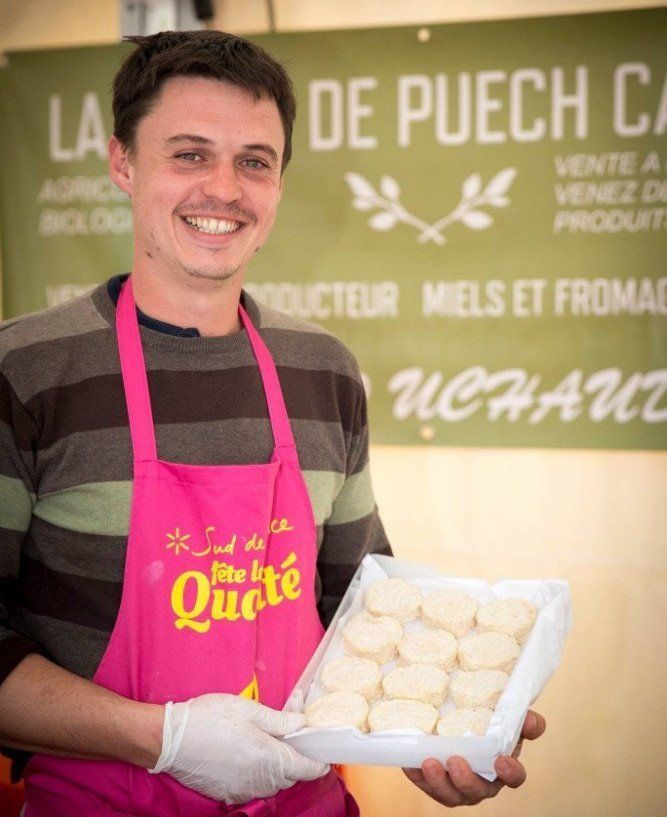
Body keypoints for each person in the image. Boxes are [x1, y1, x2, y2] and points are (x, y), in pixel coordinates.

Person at [0, 30, 545, 815]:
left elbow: (362, 608)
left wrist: (436, 731)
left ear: (279, 184)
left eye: (254, 161)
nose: (224, 188)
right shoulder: (26, 371)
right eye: (190, 154)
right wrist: (164, 737)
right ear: (122, 163)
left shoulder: (322, 372)